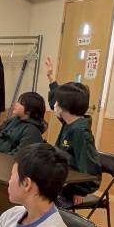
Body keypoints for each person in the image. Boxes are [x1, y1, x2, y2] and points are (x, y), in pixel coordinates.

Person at [43, 57, 102, 202]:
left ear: (65, 106)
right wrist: (51, 77)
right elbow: (55, 99)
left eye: (58, 102)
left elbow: (91, 170)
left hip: (70, 186)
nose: (55, 105)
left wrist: (80, 191)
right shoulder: (69, 121)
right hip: (62, 177)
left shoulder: (80, 132)